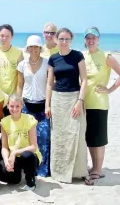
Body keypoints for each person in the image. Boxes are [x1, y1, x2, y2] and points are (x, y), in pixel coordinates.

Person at [45, 28, 88, 183]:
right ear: (56, 40)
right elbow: (50, 83)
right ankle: (59, 172)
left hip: (74, 99)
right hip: (57, 100)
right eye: (61, 39)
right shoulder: (53, 58)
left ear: (71, 39)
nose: (64, 42)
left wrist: (79, 101)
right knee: (58, 137)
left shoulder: (78, 56)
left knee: (76, 135)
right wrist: (47, 105)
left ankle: (79, 171)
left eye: (67, 39)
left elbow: (84, 80)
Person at [82, 27, 120, 185]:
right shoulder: (83, 56)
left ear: (98, 39)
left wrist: (110, 89)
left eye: (94, 37)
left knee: (99, 137)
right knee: (89, 137)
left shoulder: (106, 56)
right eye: (88, 37)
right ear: (85, 39)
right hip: (85, 103)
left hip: (99, 103)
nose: (91, 40)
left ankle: (99, 169)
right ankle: (94, 167)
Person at [0, 94, 42, 191]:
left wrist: (14, 153)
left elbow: (33, 146)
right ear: (7, 106)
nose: (14, 109)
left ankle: (30, 180)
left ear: (22, 106)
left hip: (29, 156)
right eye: (12, 106)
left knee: (27, 156)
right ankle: (16, 177)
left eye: (17, 106)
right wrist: (6, 160)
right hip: (14, 159)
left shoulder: (29, 120)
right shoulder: (4, 122)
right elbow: (4, 147)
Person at [17, 35, 51, 177]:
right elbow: (20, 85)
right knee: (27, 138)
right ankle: (28, 167)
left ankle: (42, 169)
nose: (34, 49)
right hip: (27, 106)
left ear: (40, 48)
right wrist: (18, 102)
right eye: (31, 46)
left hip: (42, 106)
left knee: (43, 137)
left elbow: (50, 85)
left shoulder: (48, 64)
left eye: (36, 46)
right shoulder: (22, 65)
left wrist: (48, 105)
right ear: (28, 48)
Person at [0, 24, 24, 96]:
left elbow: (20, 80)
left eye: (7, 36)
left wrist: (18, 97)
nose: (4, 38)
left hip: (11, 96)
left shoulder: (18, 53)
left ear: (12, 37)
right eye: (2, 36)